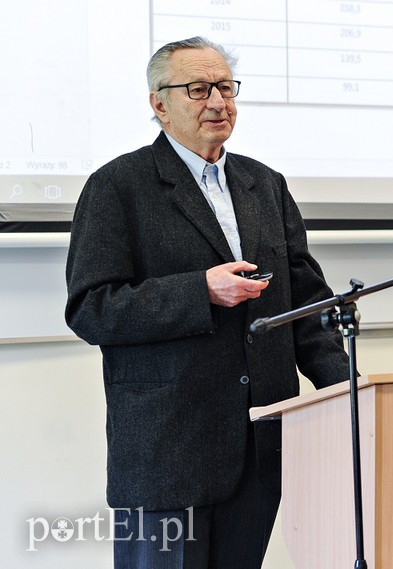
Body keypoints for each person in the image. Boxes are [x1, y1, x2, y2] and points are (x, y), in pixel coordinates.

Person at [64, 36, 350, 568]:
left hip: (260, 443)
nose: (218, 101)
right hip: (169, 451)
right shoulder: (117, 187)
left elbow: (306, 300)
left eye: (225, 87)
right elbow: (92, 307)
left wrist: (346, 391)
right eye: (198, 89)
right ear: (159, 104)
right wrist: (200, 291)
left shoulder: (265, 184)